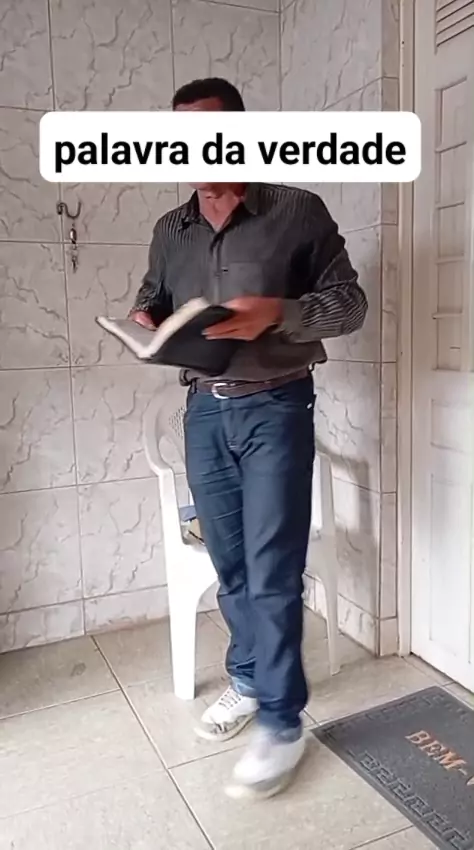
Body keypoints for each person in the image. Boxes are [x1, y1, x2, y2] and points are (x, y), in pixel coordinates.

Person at [130, 77, 367, 799]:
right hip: (204, 412)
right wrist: (144, 318)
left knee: (272, 568)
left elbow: (349, 304)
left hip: (277, 407)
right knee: (230, 563)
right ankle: (249, 676)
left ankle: (282, 721)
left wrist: (280, 313)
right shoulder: (170, 230)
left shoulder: (297, 210)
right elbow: (153, 295)